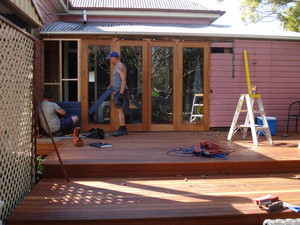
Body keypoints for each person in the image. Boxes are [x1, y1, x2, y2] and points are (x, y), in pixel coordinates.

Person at [106, 51, 128, 136]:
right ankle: (122, 127)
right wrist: (112, 84)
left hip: (120, 91)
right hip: (117, 90)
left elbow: (124, 80)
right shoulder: (117, 66)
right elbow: (118, 79)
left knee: (119, 110)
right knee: (118, 109)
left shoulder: (120, 66)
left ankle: (123, 128)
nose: (110, 60)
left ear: (115, 58)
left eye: (110, 58)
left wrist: (121, 93)